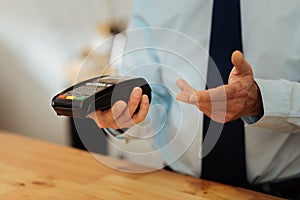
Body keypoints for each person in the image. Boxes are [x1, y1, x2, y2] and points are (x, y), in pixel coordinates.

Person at [88, 0, 300, 198]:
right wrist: (125, 117)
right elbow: (148, 92)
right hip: (182, 188)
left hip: (285, 190)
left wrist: (262, 101)